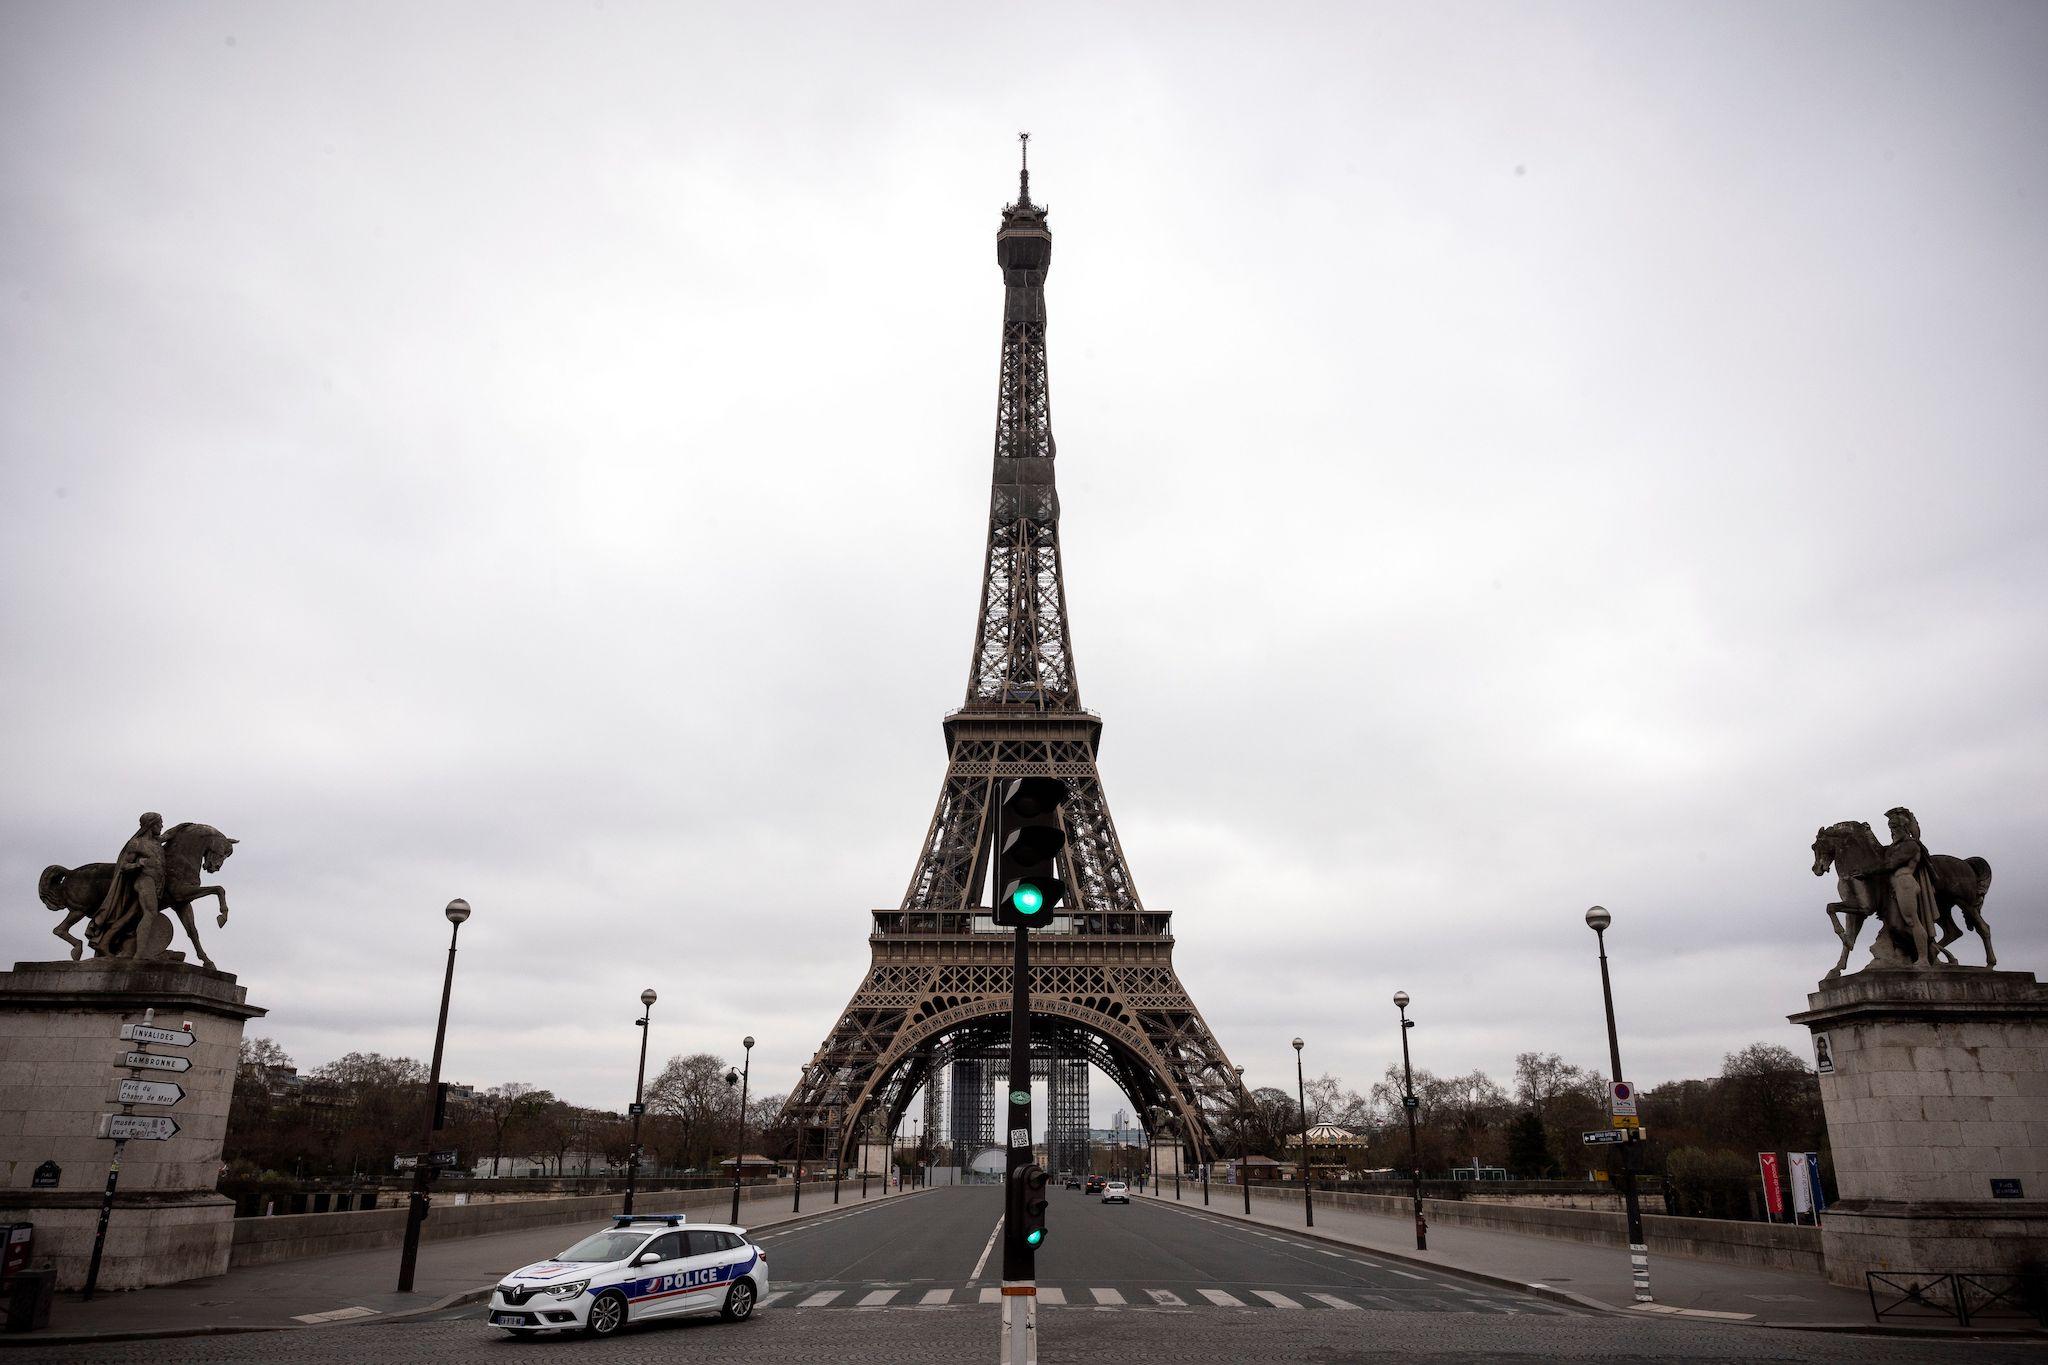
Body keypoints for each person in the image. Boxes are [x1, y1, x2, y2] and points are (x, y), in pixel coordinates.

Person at [1870, 806, 1938, 967]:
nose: (1892, 831)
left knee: (1912, 920)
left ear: (1904, 827)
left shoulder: (1910, 845)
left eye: (1894, 827)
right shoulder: (1895, 846)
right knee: (1896, 923)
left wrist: (1866, 872)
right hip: (1895, 886)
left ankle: (1923, 958)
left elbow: (1891, 864)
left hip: (1904, 882)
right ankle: (1907, 952)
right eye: (1890, 828)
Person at [91, 812, 165, 958]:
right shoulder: (136, 843)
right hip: (144, 881)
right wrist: (139, 864)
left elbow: (171, 835)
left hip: (157, 884)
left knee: (129, 917)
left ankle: (104, 943)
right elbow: (124, 866)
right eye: (160, 823)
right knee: (150, 913)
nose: (162, 825)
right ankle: (139, 954)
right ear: (151, 824)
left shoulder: (157, 843)